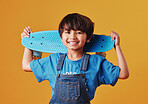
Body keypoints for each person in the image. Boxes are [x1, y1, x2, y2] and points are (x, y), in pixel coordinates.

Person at [21, 13, 129, 104]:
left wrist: (117, 47)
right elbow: (26, 65)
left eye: (78, 32)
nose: (72, 37)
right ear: (61, 38)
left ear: (88, 38)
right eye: (68, 32)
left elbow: (123, 73)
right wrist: (29, 43)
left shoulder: (95, 62)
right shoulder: (54, 60)